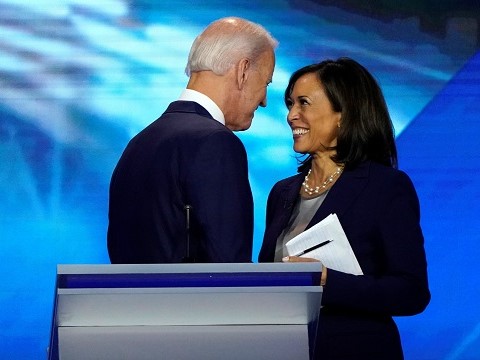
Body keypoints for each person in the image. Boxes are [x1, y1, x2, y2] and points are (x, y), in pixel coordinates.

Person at [259, 58, 430, 359]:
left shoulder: (386, 187)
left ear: (343, 113)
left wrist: (326, 280)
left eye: (303, 103)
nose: (291, 115)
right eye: (290, 104)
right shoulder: (282, 192)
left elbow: (411, 292)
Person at [108, 17, 277, 263]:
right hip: (195, 302)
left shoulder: (140, 142)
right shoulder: (215, 143)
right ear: (242, 71)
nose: (264, 100)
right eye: (266, 83)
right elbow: (230, 268)